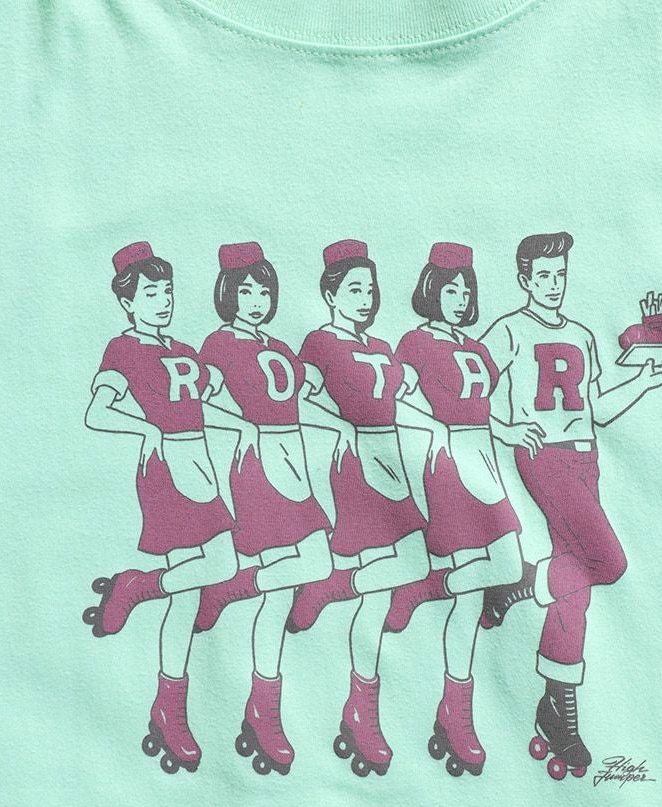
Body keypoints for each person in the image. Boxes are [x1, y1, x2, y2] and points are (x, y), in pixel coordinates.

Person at [480, 231, 662, 781]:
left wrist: (645, 381)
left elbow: (598, 411)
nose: (554, 285)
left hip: (585, 459)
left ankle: (558, 710)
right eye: (543, 276)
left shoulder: (582, 335)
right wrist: (506, 428)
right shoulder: (509, 330)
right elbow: (465, 387)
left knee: (578, 588)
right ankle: (521, 585)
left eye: (561, 275)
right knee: (608, 563)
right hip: (543, 456)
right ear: (524, 280)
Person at [83, 241, 238, 774]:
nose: (163, 301)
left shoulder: (184, 350)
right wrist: (147, 429)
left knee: (199, 586)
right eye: (151, 293)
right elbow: (97, 411)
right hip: (167, 470)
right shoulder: (123, 349)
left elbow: (205, 403)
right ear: (127, 302)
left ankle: (167, 700)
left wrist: (244, 427)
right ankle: (169, 703)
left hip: (201, 466)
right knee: (208, 576)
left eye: (167, 291)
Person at [289, 239, 430, 777]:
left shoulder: (381, 345)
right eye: (354, 289)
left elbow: (404, 395)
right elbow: (300, 399)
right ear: (330, 295)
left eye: (370, 289)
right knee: (395, 579)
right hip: (355, 464)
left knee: (409, 567)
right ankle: (363, 714)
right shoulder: (320, 342)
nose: (366, 297)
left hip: (391, 459)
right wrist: (343, 427)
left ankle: (335, 586)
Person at [388, 242, 524, 777]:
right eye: (451, 288)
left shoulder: (474, 347)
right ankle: (458, 716)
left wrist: (510, 432)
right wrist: (436, 431)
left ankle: (428, 588)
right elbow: (395, 403)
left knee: (500, 570)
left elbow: (482, 409)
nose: (461, 297)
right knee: (483, 585)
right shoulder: (414, 342)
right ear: (430, 290)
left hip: (484, 458)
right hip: (447, 464)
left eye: (467, 289)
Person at [197, 241, 333, 776]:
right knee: (283, 592)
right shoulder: (218, 343)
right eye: (246, 291)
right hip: (256, 464)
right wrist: (243, 427)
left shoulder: (278, 345)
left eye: (264, 292)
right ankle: (264, 711)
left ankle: (233, 586)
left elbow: (305, 395)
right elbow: (199, 401)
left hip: (293, 462)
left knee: (315, 564)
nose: (256, 301)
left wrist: (342, 425)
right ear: (228, 294)